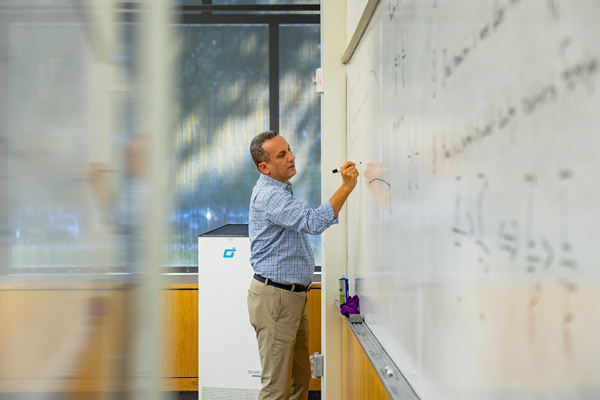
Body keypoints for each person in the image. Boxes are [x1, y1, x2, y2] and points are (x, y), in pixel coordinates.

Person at [247, 130, 359, 400]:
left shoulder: (280, 189)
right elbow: (312, 222)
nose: (292, 157)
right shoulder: (271, 196)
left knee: (299, 380)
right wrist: (345, 188)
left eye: (289, 150)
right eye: (281, 155)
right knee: (276, 388)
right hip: (277, 299)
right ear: (264, 167)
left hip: (291, 297)